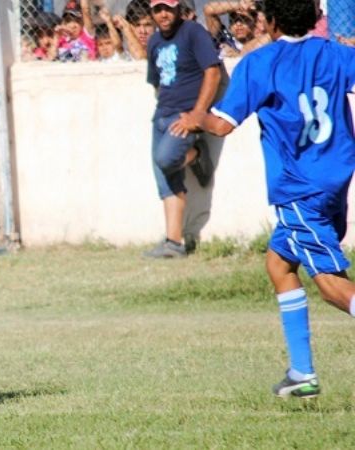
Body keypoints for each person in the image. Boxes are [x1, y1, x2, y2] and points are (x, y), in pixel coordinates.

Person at [181, 0, 355, 398]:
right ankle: (301, 372)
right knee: (279, 263)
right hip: (336, 178)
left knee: (330, 284)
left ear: (269, 21)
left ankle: (303, 374)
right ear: (315, 18)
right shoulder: (337, 54)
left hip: (299, 188)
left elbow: (222, 126)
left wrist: (197, 117)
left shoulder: (260, 64)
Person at [144, 0, 224, 258]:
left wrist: (198, 115)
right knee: (165, 179)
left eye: (168, 7)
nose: (163, 14)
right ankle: (174, 243)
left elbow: (213, 73)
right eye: (158, 9)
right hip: (162, 116)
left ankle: (198, 154)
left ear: (177, 8)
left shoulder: (192, 32)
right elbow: (156, 82)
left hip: (186, 116)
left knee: (166, 159)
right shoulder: (154, 42)